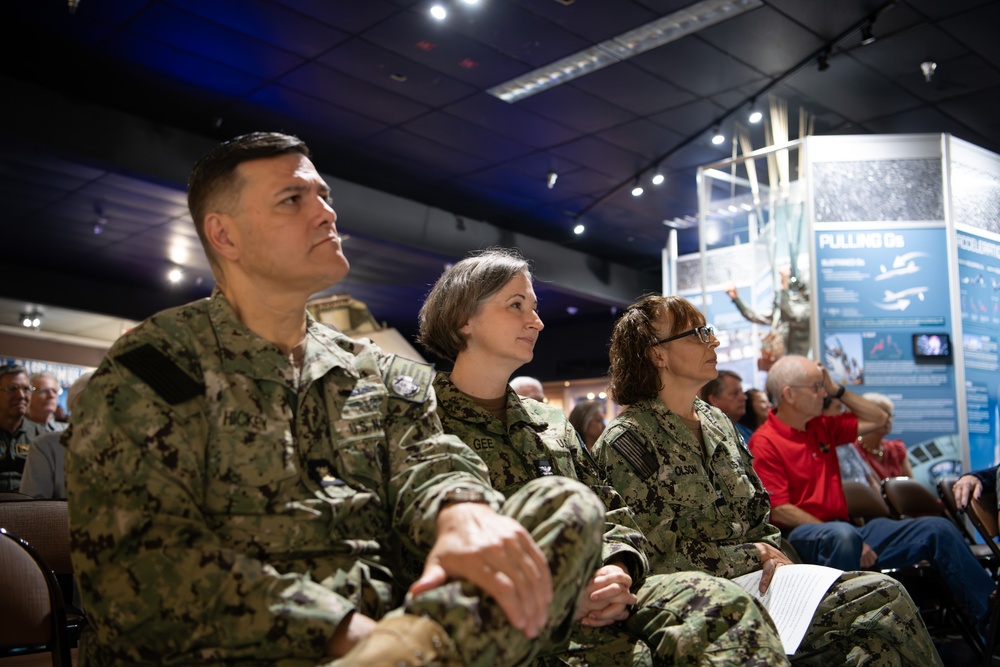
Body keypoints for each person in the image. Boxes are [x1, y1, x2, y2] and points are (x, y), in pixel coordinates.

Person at [65, 132, 607, 667]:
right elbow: (138, 570)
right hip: (253, 645)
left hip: (404, 631)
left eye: (324, 195)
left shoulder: (374, 370)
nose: (325, 213)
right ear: (224, 236)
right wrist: (353, 635)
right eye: (292, 199)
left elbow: (430, 460)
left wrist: (459, 509)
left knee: (567, 504)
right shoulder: (156, 368)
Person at [418, 252, 787, 665]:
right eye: (516, 305)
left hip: (599, 596)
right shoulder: (421, 419)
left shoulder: (550, 424)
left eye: (535, 308)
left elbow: (611, 512)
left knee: (724, 611)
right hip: (496, 617)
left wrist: (619, 567)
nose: (536, 322)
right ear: (464, 318)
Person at [593, 294, 944, 665]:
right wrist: (755, 553)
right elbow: (654, 558)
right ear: (656, 354)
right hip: (700, 600)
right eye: (696, 333)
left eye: (708, 330)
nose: (713, 341)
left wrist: (772, 555)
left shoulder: (718, 423)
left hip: (764, 583)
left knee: (873, 645)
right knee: (883, 597)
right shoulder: (628, 442)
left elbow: (758, 515)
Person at [749, 353, 995, 639]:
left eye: (823, 387)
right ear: (789, 394)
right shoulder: (765, 441)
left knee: (937, 528)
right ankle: (847, 637)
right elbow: (780, 509)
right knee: (844, 535)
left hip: (846, 529)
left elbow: (879, 418)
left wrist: (837, 388)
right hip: (804, 535)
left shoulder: (821, 427)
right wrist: (844, 534)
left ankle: (991, 623)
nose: (824, 394)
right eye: (816, 387)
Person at [21, 371, 94, 499]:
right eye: (44, 390)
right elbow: (33, 507)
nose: (51, 396)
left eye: (55, 391)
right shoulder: (45, 443)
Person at [726, 267, 810, 370]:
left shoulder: (807, 311)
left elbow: (789, 313)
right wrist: (736, 299)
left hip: (797, 367)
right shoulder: (781, 311)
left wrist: (784, 283)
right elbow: (754, 317)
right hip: (781, 366)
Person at [0, 364, 47, 492]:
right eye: (12, 389)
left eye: (26, 389)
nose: (21, 395)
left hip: (30, 506)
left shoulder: (42, 435)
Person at [851, 392, 913, 483]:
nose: (888, 420)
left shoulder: (896, 448)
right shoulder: (852, 450)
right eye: (882, 414)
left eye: (890, 415)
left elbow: (912, 486)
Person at [699, 370, 749, 442]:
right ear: (714, 400)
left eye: (742, 392)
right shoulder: (711, 439)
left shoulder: (744, 430)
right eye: (735, 393)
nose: (744, 397)